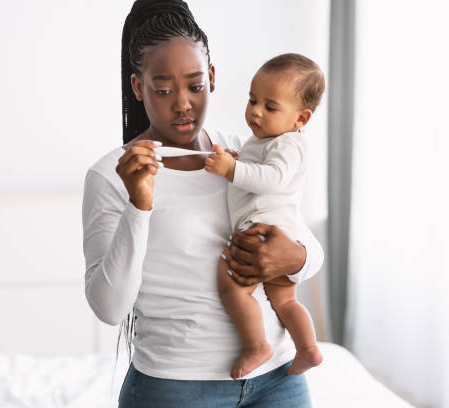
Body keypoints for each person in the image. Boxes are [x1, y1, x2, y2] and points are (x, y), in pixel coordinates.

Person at [82, 1, 324, 406]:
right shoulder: (112, 175)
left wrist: (294, 258)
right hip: (176, 387)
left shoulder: (247, 153)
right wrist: (139, 205)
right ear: (138, 87)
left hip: (279, 378)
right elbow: (109, 307)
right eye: (162, 90)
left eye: (195, 85)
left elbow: (306, 247)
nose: (182, 103)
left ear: (211, 78)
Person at [204, 53, 325, 380]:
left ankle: (256, 345)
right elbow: (256, 169)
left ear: (301, 119)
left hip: (262, 231)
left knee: (230, 282)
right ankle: (308, 348)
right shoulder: (263, 141)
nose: (255, 111)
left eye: (270, 107)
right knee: (285, 302)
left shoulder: (289, 144)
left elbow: (271, 179)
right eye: (252, 99)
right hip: (276, 231)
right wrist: (237, 158)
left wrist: (232, 169)